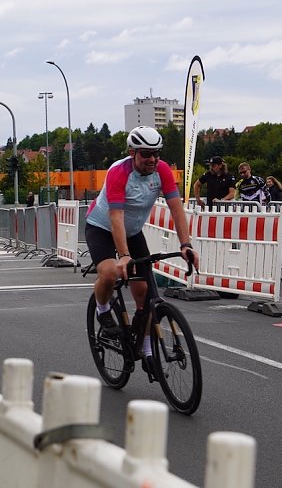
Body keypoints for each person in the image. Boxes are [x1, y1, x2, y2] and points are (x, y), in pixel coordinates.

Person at [85, 126, 199, 378]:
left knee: (145, 294)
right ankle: (103, 310)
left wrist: (186, 244)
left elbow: (176, 208)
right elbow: (116, 217)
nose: (152, 159)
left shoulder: (163, 171)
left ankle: (146, 350)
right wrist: (124, 255)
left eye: (156, 154)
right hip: (102, 227)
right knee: (110, 273)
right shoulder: (119, 172)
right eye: (146, 154)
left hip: (133, 231)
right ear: (132, 152)